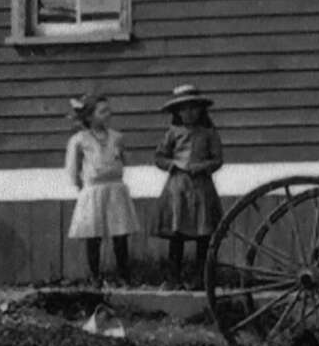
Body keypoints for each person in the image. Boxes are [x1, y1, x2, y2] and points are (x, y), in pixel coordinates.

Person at [63, 96, 139, 286]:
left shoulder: (116, 137)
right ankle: (95, 276)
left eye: (108, 111)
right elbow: (73, 168)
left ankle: (124, 274)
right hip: (93, 190)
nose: (107, 115)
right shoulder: (80, 140)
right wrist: (81, 186)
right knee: (93, 234)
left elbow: (124, 159)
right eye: (102, 111)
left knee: (120, 233)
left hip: (115, 188)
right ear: (89, 116)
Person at [154, 85, 224, 282]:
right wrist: (175, 164)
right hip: (178, 189)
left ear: (201, 110)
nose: (189, 113)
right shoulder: (173, 133)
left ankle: (203, 277)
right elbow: (160, 157)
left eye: (193, 108)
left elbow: (218, 159)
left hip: (202, 188)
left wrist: (203, 166)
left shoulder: (208, 133)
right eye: (183, 109)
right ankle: (174, 277)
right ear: (177, 112)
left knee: (204, 233)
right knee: (177, 233)